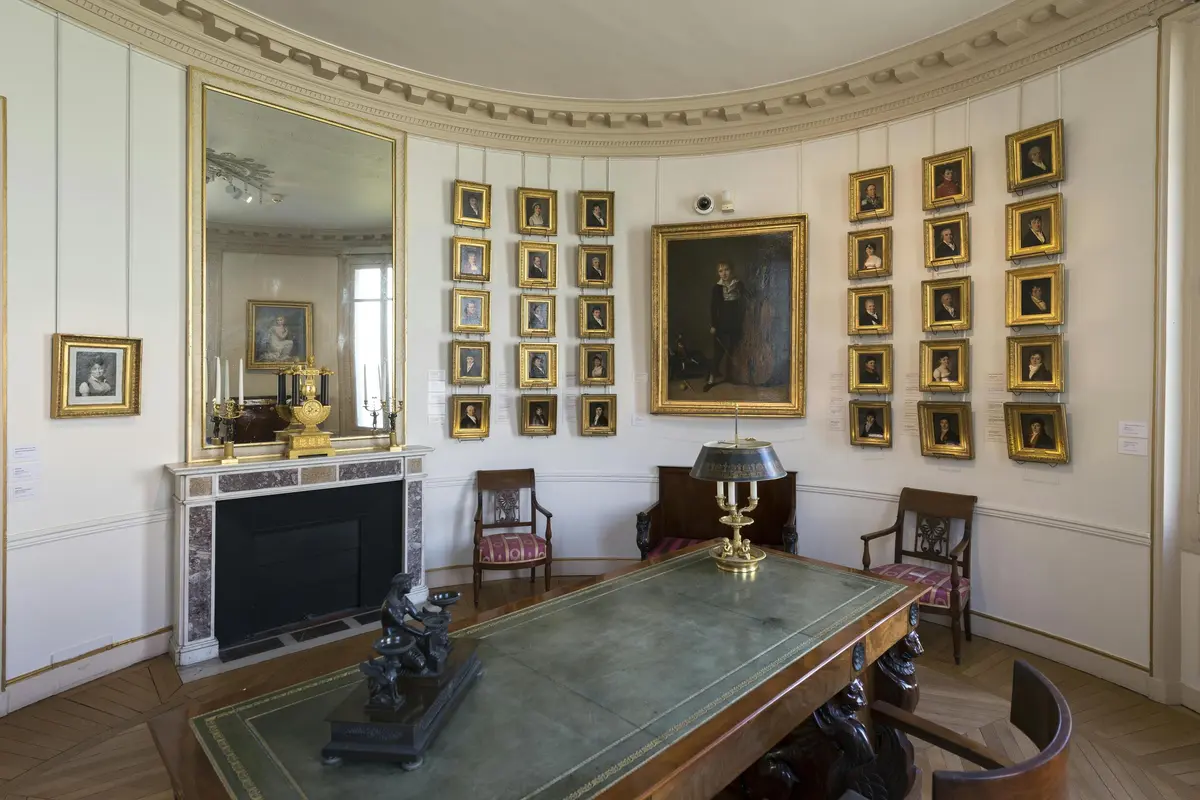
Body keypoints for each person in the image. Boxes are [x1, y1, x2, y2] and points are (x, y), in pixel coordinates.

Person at [705, 261, 744, 391]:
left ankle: (734, 376)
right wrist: (714, 325)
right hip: (722, 323)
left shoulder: (739, 284)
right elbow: (713, 307)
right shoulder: (717, 288)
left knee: (735, 348)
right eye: (721, 271)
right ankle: (711, 378)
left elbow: (746, 302)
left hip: (736, 322)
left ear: (731, 270)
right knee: (719, 351)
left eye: (726, 270)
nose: (724, 273)